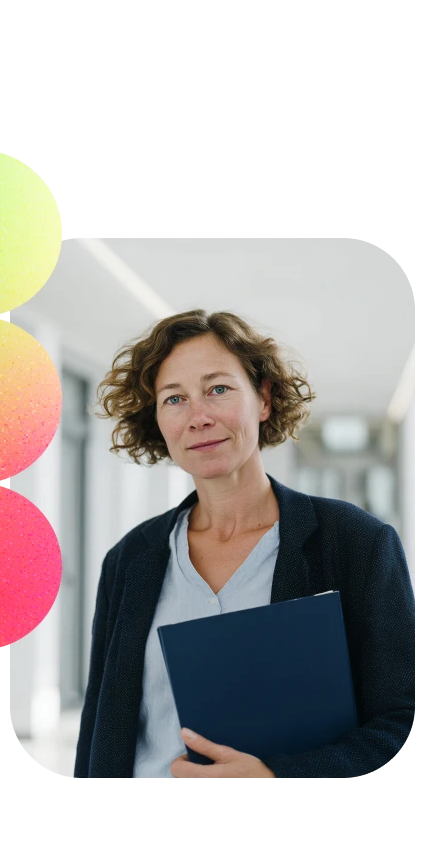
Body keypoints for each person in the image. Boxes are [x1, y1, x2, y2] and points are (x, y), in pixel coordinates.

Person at [73, 310, 415, 780]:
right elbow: (100, 727)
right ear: (156, 419)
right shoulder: (130, 560)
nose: (199, 417)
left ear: (264, 399)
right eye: (175, 399)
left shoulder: (356, 543)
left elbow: (406, 726)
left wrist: (277, 780)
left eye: (218, 389)